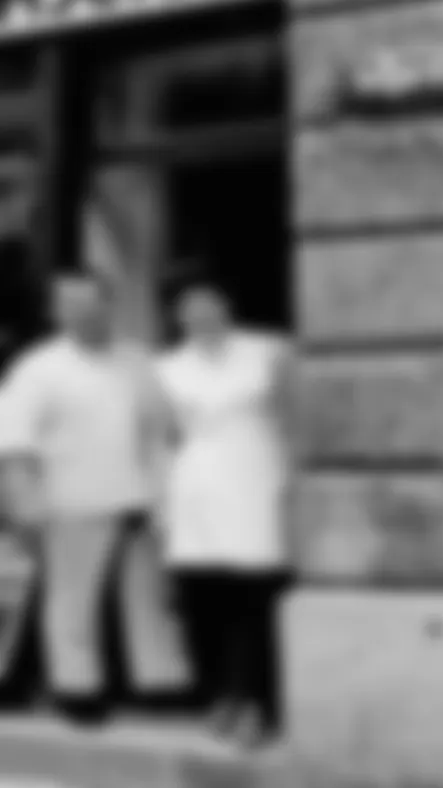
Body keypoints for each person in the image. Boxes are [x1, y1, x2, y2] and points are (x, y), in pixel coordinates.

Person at [0, 269, 189, 725]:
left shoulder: (138, 360)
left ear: (109, 304)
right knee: (71, 600)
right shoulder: (37, 368)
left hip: (142, 499)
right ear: (55, 311)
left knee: (149, 601)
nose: (83, 311)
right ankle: (76, 688)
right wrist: (23, 504)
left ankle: (158, 683)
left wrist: (170, 490)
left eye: (91, 301)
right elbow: (13, 443)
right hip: (71, 500)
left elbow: (166, 428)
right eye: (70, 303)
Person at [154, 266, 294, 748]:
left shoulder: (267, 354)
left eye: (207, 302)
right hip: (194, 490)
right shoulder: (168, 369)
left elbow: (294, 418)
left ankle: (257, 702)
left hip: (255, 484)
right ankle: (218, 696)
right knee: (203, 604)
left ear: (226, 305)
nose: (198, 313)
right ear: (177, 315)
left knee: (254, 604)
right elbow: (163, 439)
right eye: (188, 305)